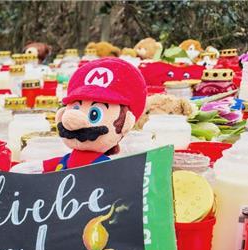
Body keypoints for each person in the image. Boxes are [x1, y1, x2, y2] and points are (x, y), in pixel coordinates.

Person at [12, 57, 147, 173]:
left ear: (125, 123)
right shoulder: (68, 159)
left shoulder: (106, 166)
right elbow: (48, 165)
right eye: (75, 108)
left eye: (94, 114)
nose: (75, 120)